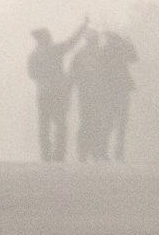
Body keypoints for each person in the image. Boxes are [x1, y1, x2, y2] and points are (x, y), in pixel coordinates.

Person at [28, 18, 89, 163]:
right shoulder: (55, 50)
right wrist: (83, 26)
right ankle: (59, 155)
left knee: (44, 126)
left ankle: (45, 155)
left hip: (43, 93)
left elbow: (31, 74)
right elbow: (72, 42)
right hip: (58, 93)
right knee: (60, 125)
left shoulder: (34, 56)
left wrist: (43, 79)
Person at [69, 32, 110, 162]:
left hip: (90, 93)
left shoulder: (81, 55)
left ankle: (86, 153)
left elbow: (72, 74)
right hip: (94, 94)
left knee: (89, 122)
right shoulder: (101, 54)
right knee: (94, 122)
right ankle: (90, 153)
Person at [100, 32, 138, 161]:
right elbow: (134, 58)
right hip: (120, 91)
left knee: (109, 123)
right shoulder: (121, 50)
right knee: (120, 124)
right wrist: (129, 44)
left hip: (110, 92)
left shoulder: (105, 51)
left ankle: (104, 153)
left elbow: (133, 59)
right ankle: (118, 154)